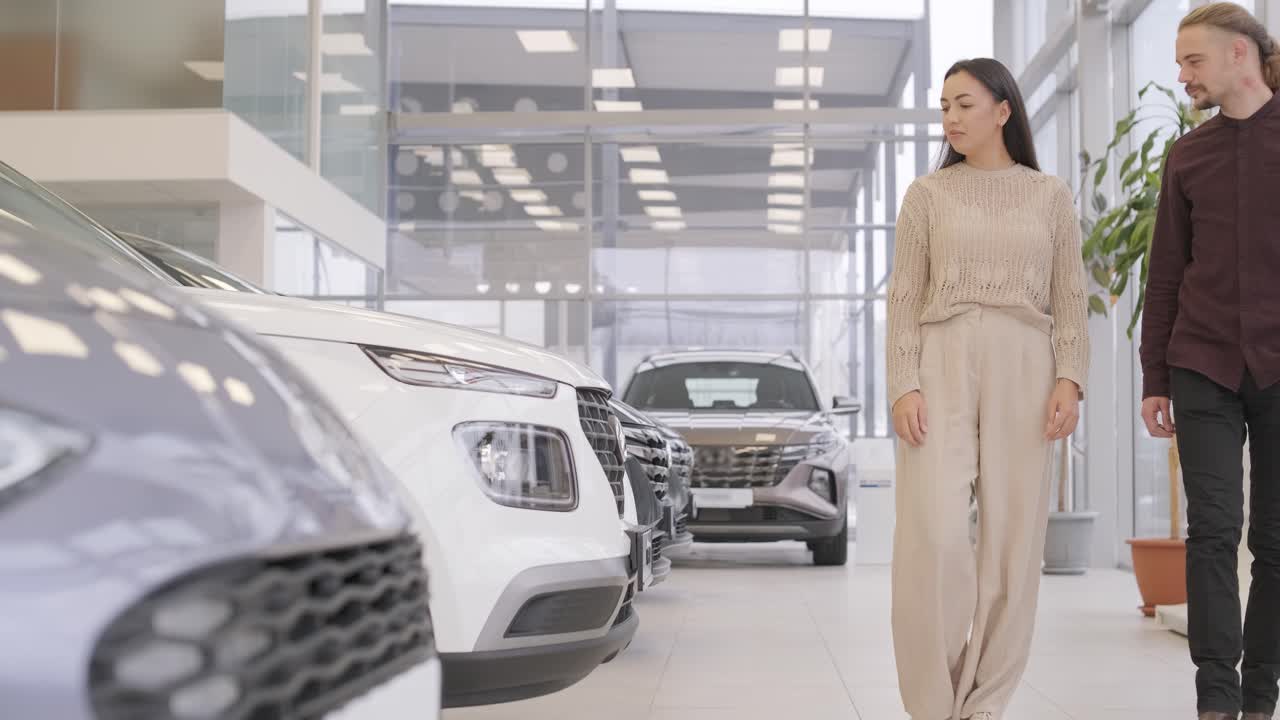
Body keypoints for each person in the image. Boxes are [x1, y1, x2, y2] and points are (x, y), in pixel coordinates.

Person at [886, 57, 1090, 720]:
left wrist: (1070, 378)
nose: (950, 118)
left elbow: (1069, 298)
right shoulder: (926, 196)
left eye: (964, 104)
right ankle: (932, 701)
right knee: (936, 536)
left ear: (1003, 110)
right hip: (940, 360)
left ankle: (986, 703)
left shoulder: (1050, 195)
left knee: (1012, 543)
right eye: (944, 105)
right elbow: (905, 299)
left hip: (1025, 363)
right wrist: (903, 384)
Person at [1140, 4, 1280, 720]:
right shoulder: (1187, 155)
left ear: (1238, 55)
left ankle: (1262, 695)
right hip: (1202, 363)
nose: (1182, 74)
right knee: (1212, 531)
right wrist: (1154, 378)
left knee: (1276, 536)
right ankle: (1216, 699)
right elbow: (1165, 273)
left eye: (1192, 60)